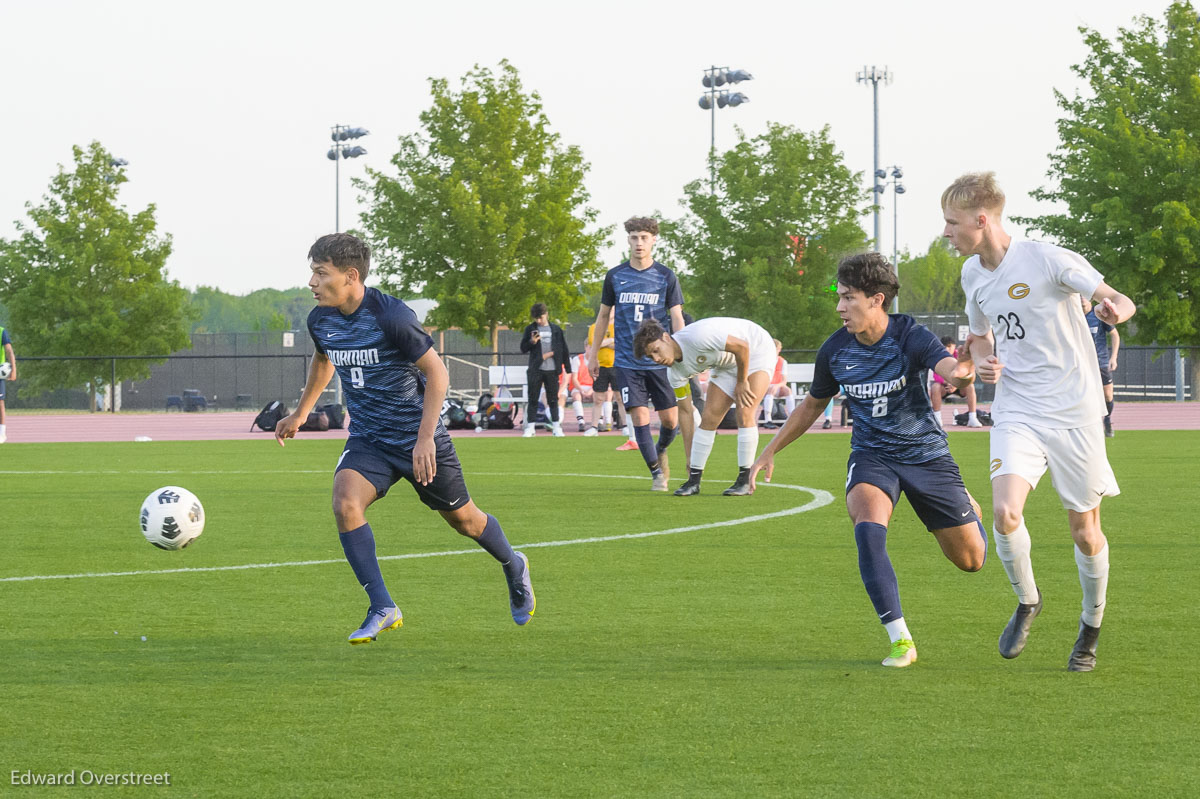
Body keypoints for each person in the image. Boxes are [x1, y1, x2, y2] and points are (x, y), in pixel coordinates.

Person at [275, 233, 535, 644]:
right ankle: (382, 605)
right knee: (345, 503)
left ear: (350, 276)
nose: (311, 282)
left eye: (320, 273)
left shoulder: (391, 316)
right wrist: (301, 412)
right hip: (368, 439)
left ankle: (512, 563)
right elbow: (323, 359)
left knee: (465, 521)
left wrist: (425, 438)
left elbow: (438, 373)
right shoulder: (319, 319)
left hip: (417, 438)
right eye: (312, 272)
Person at [749, 252, 986, 668]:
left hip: (927, 456)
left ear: (877, 300)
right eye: (839, 298)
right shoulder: (835, 350)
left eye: (849, 298)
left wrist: (965, 369)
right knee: (868, 527)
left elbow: (949, 371)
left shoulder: (909, 335)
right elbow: (810, 406)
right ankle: (900, 639)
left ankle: (970, 507)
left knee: (972, 561)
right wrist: (769, 449)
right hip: (872, 455)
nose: (840, 307)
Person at [944, 171, 1136, 671]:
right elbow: (981, 335)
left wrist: (1112, 310)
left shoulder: (1048, 258)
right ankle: (1028, 600)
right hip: (1018, 409)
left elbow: (1119, 300)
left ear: (981, 220)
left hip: (1075, 412)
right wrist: (983, 360)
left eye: (952, 222)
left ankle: (1090, 627)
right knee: (1005, 513)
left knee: (1084, 531)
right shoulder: (972, 274)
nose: (947, 232)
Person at [585, 217, 685, 491]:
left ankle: (660, 449)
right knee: (639, 417)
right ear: (628, 240)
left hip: (660, 361)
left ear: (653, 240)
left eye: (644, 237)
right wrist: (593, 354)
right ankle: (656, 474)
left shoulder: (666, 276)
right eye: (634, 237)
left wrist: (680, 350)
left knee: (670, 421)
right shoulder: (615, 276)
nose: (639, 243)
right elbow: (604, 315)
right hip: (628, 361)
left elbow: (676, 316)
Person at [634, 316, 774, 496]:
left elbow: (742, 347)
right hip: (725, 364)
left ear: (666, 338)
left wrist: (741, 382)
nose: (656, 358)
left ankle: (744, 480)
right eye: (650, 356)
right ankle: (693, 481)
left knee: (744, 412)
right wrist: (689, 458)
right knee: (708, 419)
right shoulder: (674, 373)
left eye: (656, 350)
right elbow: (685, 412)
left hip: (755, 350)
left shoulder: (698, 336)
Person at [519, 302, 572, 438]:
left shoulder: (556, 330)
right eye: (536, 318)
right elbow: (523, 348)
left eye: (540, 317)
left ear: (546, 314)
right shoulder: (530, 329)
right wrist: (532, 342)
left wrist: (567, 367)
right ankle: (530, 427)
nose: (539, 321)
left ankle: (556, 426)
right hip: (536, 369)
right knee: (533, 398)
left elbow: (564, 348)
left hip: (552, 369)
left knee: (553, 398)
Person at [1082, 297, 1120, 437]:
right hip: (1082, 364)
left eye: (1084, 296)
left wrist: (1113, 357)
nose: (1081, 299)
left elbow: (1114, 334)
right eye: (1078, 296)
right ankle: (1089, 425)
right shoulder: (1073, 316)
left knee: (1108, 394)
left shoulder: (1098, 315)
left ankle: (1108, 419)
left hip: (1101, 361)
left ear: (1090, 300)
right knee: (1084, 395)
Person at [929, 336, 983, 428]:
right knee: (935, 387)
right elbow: (936, 376)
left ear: (954, 346)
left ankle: (972, 418)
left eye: (950, 346)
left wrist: (955, 384)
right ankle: (937, 418)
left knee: (970, 386)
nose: (947, 349)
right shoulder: (937, 357)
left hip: (959, 386)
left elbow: (968, 373)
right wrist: (947, 382)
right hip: (944, 387)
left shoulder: (961, 355)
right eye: (945, 346)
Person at [586, 318, 622, 436]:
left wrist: (603, 342)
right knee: (598, 398)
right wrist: (610, 341)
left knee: (620, 397)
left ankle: (626, 426)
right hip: (600, 366)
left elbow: (620, 343)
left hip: (616, 365)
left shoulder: (619, 325)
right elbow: (593, 343)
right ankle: (594, 427)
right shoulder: (594, 327)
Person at [760, 339, 796, 428]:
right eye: (776, 348)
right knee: (771, 390)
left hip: (777, 386)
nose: (778, 350)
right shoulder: (764, 360)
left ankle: (792, 418)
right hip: (765, 386)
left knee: (788, 390)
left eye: (779, 348)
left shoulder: (782, 361)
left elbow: (784, 380)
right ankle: (768, 420)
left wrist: (777, 385)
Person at [0, 324, 15, 444]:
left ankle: (2, 433)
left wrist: (13, 370)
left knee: (0, 403)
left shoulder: (1, 332)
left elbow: (9, 351)